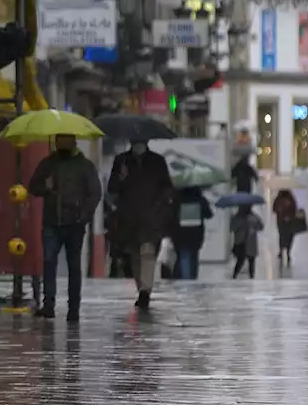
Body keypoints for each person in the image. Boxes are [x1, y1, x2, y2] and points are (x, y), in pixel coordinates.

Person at [28, 134, 103, 321]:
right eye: (59, 139)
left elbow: (94, 193)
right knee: (49, 262)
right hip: (51, 221)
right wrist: (45, 187)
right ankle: (48, 305)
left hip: (74, 223)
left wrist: (83, 217)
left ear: (73, 141)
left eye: (65, 139)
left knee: (74, 266)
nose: (61, 143)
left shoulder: (84, 165)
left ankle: (74, 308)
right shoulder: (48, 164)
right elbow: (33, 187)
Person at [107, 140, 174, 309]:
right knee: (135, 256)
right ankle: (142, 289)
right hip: (129, 217)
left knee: (148, 252)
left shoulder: (157, 161)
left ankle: (145, 291)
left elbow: (167, 186)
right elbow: (112, 188)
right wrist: (121, 178)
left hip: (151, 217)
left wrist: (160, 205)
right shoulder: (121, 161)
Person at [172, 186, 214, 279]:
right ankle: (191, 279)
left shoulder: (178, 200)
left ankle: (185, 279)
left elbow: (171, 215)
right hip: (196, 233)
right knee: (193, 256)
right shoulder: (200, 200)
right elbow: (209, 215)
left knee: (183, 255)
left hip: (180, 233)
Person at [230, 205, 264, 279]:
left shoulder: (240, 217)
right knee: (244, 260)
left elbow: (260, 226)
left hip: (245, 241)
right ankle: (242, 275)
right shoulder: (240, 217)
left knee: (245, 260)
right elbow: (232, 228)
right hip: (244, 241)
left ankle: (238, 275)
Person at [272, 190, 300, 264]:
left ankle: (283, 251)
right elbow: (295, 209)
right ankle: (287, 252)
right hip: (287, 222)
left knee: (282, 236)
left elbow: (274, 209)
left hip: (282, 221)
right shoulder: (291, 199)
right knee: (288, 237)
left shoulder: (279, 199)